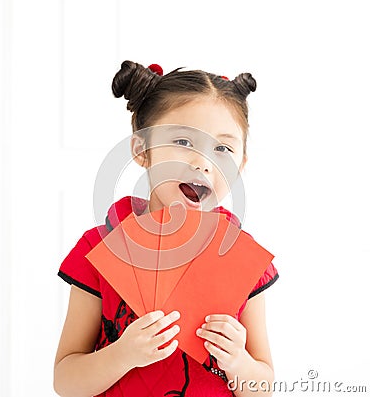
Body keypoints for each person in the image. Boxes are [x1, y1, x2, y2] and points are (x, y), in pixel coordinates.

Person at [53, 60, 279, 397]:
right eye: (184, 142)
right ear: (141, 149)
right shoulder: (99, 247)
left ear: (241, 164)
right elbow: (65, 381)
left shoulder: (242, 259)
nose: (203, 162)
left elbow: (262, 387)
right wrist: (122, 355)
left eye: (223, 148)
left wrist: (239, 362)